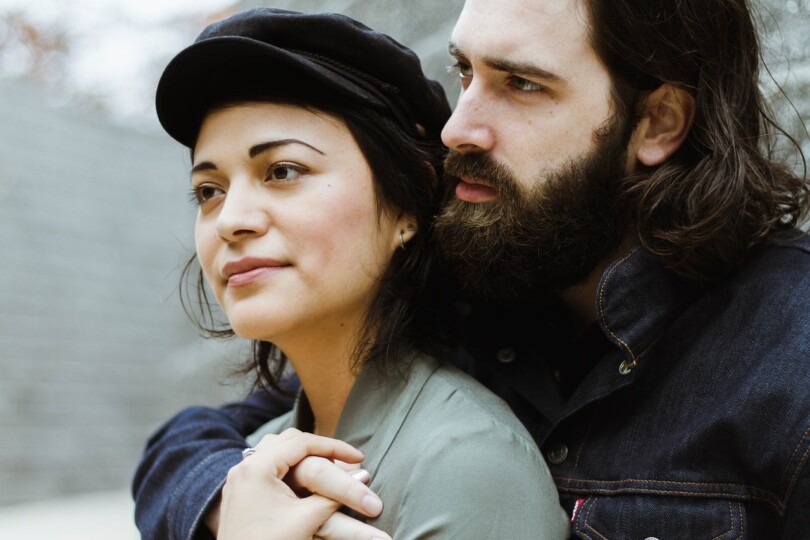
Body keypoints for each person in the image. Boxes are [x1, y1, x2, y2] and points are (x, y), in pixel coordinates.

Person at [134, 0, 810, 538]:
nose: (458, 127)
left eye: (520, 83)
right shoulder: (471, 289)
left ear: (658, 122)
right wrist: (230, 502)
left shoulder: (789, 360)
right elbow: (200, 437)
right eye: (465, 73)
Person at [136, 7, 570, 540]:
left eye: (283, 171)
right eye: (209, 191)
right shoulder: (256, 464)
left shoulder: (468, 463)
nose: (231, 221)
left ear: (406, 206)